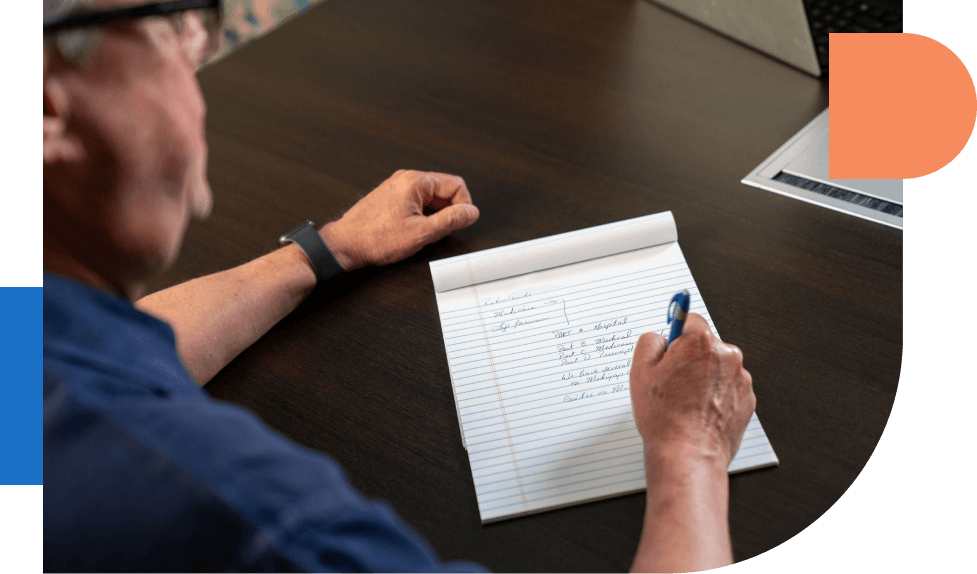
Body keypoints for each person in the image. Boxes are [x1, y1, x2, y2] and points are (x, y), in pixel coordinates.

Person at [42, 1, 756, 572]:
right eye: (172, 26)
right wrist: (688, 450)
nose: (198, 54)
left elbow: (100, 367)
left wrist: (326, 251)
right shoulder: (260, 520)